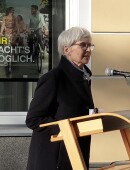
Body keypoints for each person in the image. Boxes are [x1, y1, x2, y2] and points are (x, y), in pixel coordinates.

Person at [26, 27, 95, 170]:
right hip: (53, 159)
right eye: (83, 45)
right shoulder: (53, 78)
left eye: (90, 45)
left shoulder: (84, 78)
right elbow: (34, 119)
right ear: (66, 50)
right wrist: (67, 129)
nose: (88, 50)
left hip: (76, 155)